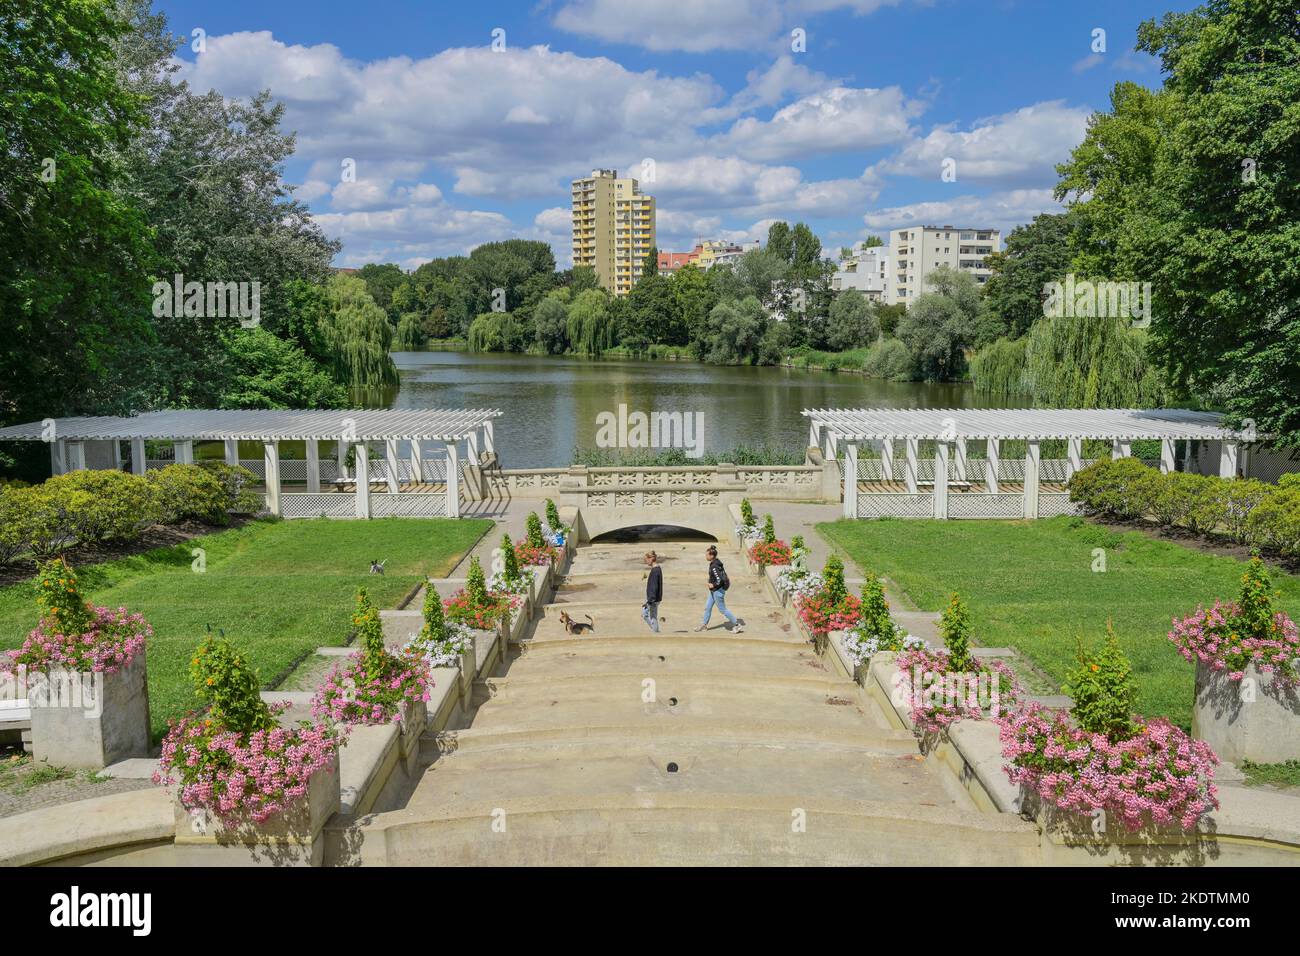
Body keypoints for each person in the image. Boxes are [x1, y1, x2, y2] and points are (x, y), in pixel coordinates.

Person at [695, 545, 743, 633]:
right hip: (714, 591)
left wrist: (713, 585)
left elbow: (719, 579)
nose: (706, 556)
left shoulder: (714, 566)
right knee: (707, 607)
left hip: (718, 591)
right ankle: (704, 625)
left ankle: (737, 624)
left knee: (723, 609)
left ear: (712, 556)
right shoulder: (717, 562)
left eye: (707, 555)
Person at [642, 551, 662, 633]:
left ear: (652, 558)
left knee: (650, 616)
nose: (646, 561)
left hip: (653, 599)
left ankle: (656, 632)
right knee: (648, 615)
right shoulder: (657, 569)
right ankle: (656, 631)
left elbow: (654, 587)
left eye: (646, 559)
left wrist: (650, 601)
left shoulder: (655, 571)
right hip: (654, 598)